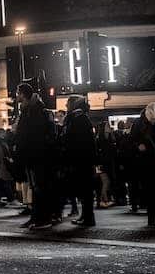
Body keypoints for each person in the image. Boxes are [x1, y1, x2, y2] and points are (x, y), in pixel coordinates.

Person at [12, 83, 59, 230]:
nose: (16, 95)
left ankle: (43, 218)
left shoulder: (35, 110)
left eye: (17, 92)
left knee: (40, 187)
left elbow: (34, 134)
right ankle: (35, 217)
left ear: (23, 94)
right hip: (31, 156)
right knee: (35, 188)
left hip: (37, 156)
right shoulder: (27, 110)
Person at [130, 103, 155, 227]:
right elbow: (131, 140)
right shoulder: (138, 124)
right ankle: (152, 218)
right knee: (151, 190)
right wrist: (138, 145)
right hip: (146, 161)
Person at [62, 96, 97, 227]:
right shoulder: (80, 118)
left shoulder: (79, 119)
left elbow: (78, 141)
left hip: (81, 160)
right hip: (82, 159)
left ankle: (88, 217)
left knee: (85, 190)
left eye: (68, 104)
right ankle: (86, 216)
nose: (66, 106)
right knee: (84, 190)